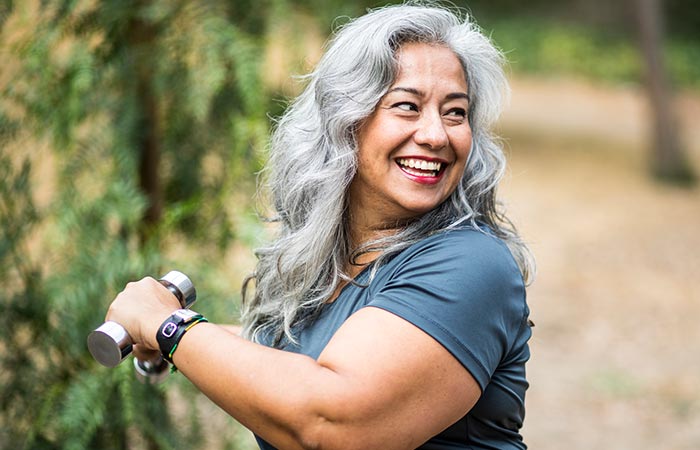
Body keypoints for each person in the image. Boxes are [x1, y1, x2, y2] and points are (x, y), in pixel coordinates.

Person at [105, 3, 534, 449]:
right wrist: (172, 332)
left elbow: (332, 422)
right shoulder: (340, 261)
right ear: (344, 121)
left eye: (455, 112)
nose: (436, 134)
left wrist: (171, 329)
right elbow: (292, 352)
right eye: (408, 106)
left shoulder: (471, 264)